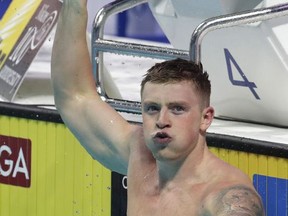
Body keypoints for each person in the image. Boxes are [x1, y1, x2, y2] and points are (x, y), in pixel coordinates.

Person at [51, 0, 265, 215]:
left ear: (205, 118)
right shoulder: (140, 157)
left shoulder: (225, 196)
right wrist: (74, 5)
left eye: (177, 109)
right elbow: (74, 96)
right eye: (152, 108)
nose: (162, 120)